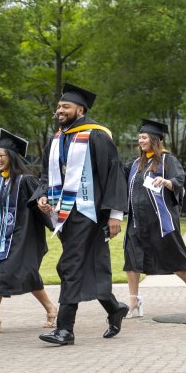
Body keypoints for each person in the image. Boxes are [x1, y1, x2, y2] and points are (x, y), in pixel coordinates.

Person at [37, 83, 129, 346]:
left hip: (89, 211)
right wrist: (43, 195)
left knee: (71, 265)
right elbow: (46, 175)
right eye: (58, 106)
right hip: (63, 213)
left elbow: (113, 174)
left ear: (80, 109)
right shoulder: (57, 139)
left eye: (65, 106)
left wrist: (115, 215)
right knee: (86, 263)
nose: (60, 110)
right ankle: (114, 308)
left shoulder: (97, 136)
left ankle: (65, 329)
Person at [0, 129, 58, 333]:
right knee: (27, 274)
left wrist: (57, 226)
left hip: (23, 235)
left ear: (12, 157)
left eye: (1, 155)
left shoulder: (26, 181)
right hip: (2, 236)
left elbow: (41, 205)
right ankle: (51, 308)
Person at [123, 119, 186, 317]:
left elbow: (180, 180)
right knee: (132, 259)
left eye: (144, 137)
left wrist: (167, 181)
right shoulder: (136, 164)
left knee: (174, 259)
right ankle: (133, 300)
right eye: (139, 138)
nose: (140, 141)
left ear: (154, 139)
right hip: (137, 221)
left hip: (160, 221)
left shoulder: (166, 160)